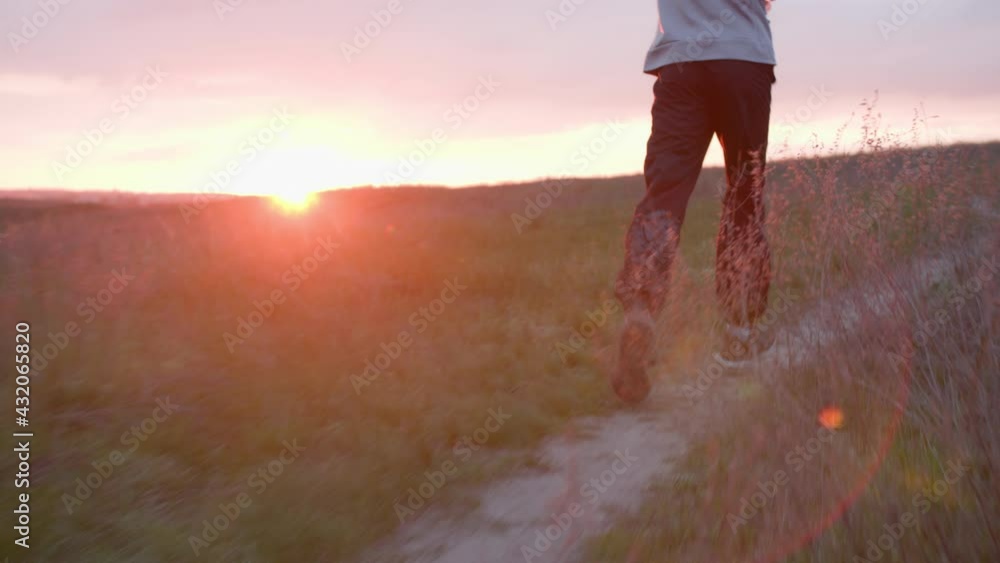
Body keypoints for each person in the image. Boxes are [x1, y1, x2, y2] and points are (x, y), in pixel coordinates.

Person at [612, 0, 777, 404]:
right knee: (743, 197)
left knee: (663, 195)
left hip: (681, 64)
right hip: (742, 59)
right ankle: (739, 333)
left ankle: (641, 304)